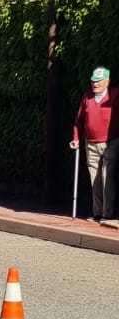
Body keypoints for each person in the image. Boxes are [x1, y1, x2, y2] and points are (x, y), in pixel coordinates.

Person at [72, 66, 116, 227]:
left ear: (107, 81)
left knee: (107, 177)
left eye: (98, 81)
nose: (95, 84)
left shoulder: (115, 95)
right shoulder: (87, 97)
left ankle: (107, 213)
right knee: (94, 178)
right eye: (93, 81)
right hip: (90, 142)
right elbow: (79, 121)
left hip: (110, 142)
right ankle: (97, 212)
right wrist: (76, 138)